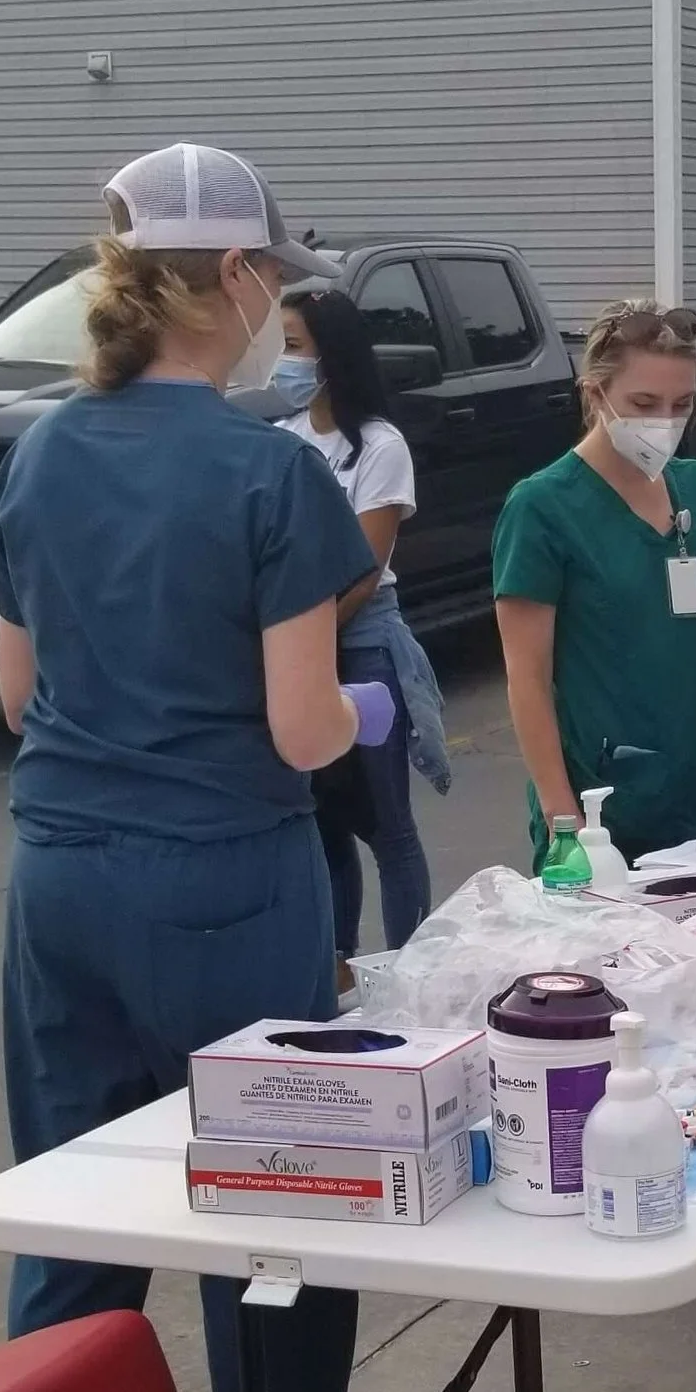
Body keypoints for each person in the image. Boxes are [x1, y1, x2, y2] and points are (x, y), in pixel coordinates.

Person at [0, 141, 389, 1392]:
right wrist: (371, 710)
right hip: (223, 877)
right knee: (271, 1218)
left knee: (72, 1218)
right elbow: (300, 729)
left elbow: (21, 696)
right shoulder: (270, 471)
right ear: (233, 278)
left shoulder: (38, 450)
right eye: (279, 278)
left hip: (62, 878)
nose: (288, 308)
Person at [491, 301, 696, 864]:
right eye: (643, 403)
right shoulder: (543, 508)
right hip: (608, 813)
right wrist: (562, 818)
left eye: (682, 404)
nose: (664, 421)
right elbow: (528, 682)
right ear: (594, 395)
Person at [274, 281, 448, 952]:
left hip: (362, 644)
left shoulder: (379, 446)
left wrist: (299, 637)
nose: (281, 364)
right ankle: (338, 964)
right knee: (325, 820)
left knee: (388, 826)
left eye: (293, 348)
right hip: (304, 649)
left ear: (332, 357)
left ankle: (410, 969)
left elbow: (365, 570)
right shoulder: (282, 440)